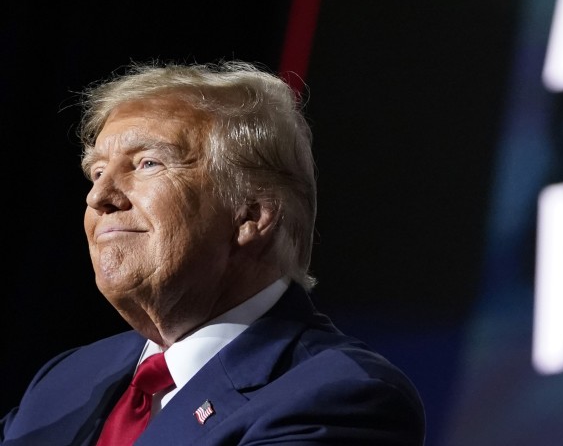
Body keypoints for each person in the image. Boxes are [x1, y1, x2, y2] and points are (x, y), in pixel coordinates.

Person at [0, 59, 426, 445]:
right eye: (96, 171)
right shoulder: (64, 381)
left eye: (147, 163)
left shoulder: (341, 397)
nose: (98, 197)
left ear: (251, 214)